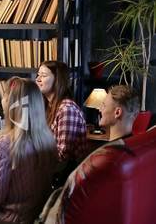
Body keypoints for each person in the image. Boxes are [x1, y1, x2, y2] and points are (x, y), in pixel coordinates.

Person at [36, 85, 139, 224]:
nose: (99, 109)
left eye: (103, 105)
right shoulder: (134, 147)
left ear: (117, 112)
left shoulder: (104, 157)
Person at [0, 77, 57, 223]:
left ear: (10, 104)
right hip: (41, 217)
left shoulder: (3, 145)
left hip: (12, 219)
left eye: (5, 95)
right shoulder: (48, 139)